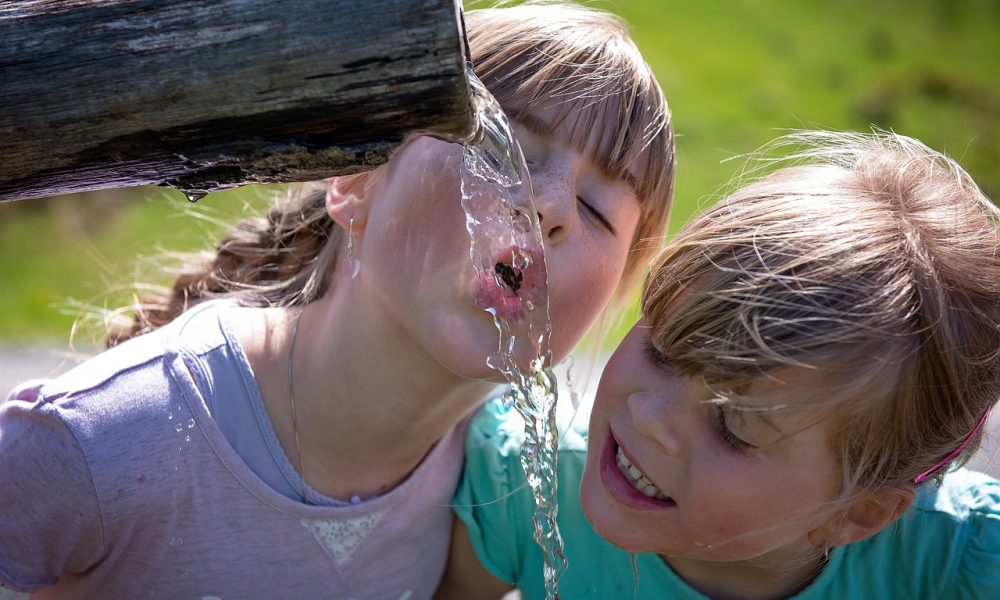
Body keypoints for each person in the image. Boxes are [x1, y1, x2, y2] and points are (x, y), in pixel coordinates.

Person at [0, 3, 675, 599]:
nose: (549, 206)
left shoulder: (496, 493)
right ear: (355, 181)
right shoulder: (104, 438)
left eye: (595, 209)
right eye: (504, 154)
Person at [440, 130, 1000, 599]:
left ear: (858, 513)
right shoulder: (527, 486)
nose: (651, 415)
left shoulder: (956, 568)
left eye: (733, 427)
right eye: (662, 352)